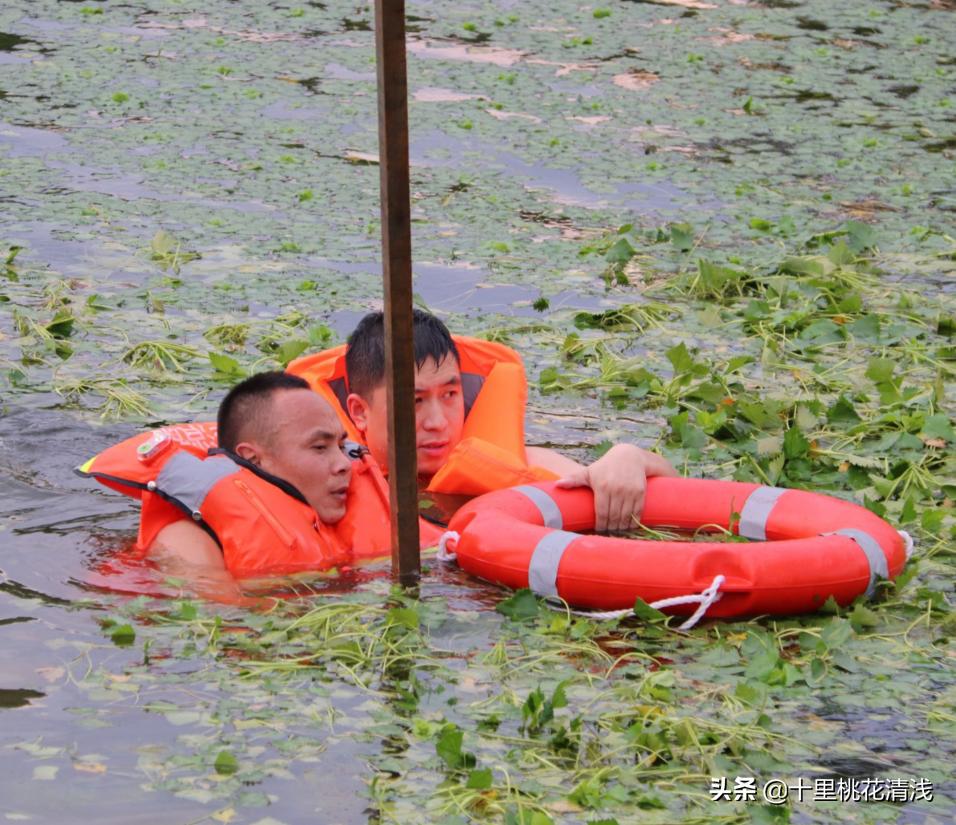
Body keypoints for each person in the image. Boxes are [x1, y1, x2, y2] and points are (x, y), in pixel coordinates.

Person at [335, 310, 677, 532]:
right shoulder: (328, 487)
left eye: (450, 395)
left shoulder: (522, 464)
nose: (438, 422)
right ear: (360, 412)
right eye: (415, 401)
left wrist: (630, 457)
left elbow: (678, 498)